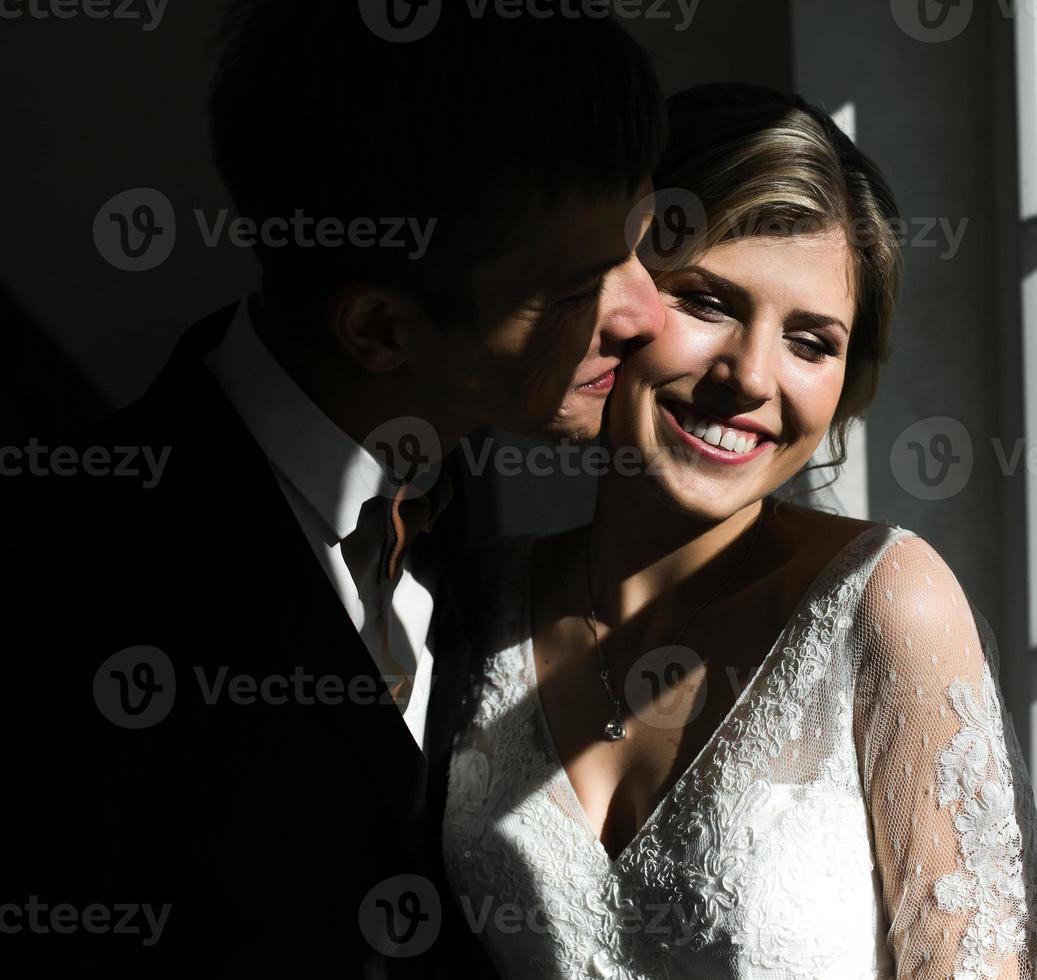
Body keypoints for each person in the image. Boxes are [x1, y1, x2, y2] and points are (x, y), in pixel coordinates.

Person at [7, 2, 666, 976]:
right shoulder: (67, 580)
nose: (648, 312)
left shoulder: (456, 479)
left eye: (643, 238)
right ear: (380, 333)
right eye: (576, 291)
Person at [444, 83, 1037, 979]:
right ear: (614, 298)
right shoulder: (474, 600)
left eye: (812, 342)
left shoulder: (886, 605)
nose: (751, 376)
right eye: (707, 302)